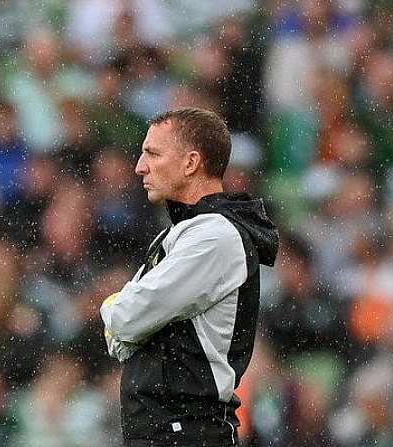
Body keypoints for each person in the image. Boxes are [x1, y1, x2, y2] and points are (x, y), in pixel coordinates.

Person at [100, 108, 279, 446]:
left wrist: (116, 309)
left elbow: (124, 320)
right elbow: (119, 343)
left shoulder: (215, 236)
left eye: (152, 153)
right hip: (165, 432)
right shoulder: (182, 234)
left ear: (191, 162)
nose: (140, 166)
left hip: (189, 432)